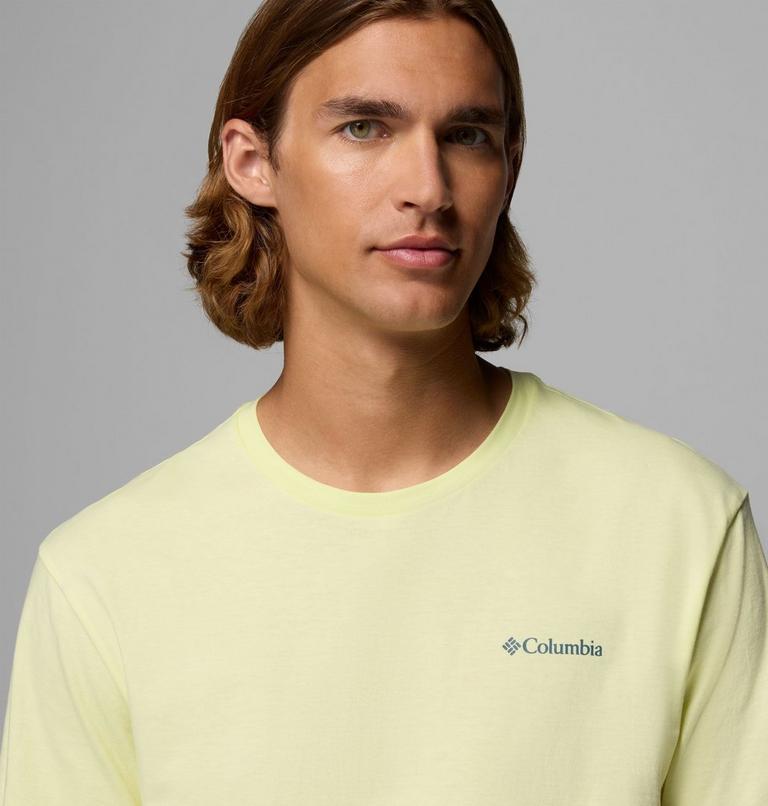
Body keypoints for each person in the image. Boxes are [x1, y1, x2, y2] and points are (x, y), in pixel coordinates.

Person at [2, 0, 766, 803]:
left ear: (510, 165)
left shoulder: (679, 525)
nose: (428, 188)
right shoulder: (104, 575)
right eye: (364, 128)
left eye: (466, 135)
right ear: (253, 162)